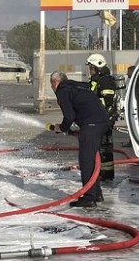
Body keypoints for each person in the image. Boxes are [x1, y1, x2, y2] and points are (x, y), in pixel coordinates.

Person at [49, 71, 110, 207]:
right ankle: (96, 193)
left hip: (91, 123)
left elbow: (69, 116)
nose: (52, 87)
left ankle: (89, 197)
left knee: (86, 160)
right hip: (101, 121)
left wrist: (62, 128)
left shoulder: (62, 90)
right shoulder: (75, 87)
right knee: (92, 158)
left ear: (55, 82)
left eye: (51, 83)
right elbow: (81, 109)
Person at [86, 53, 117, 182]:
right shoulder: (96, 80)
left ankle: (106, 175)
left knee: (104, 148)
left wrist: (91, 103)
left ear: (98, 67)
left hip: (104, 119)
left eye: (91, 67)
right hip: (98, 119)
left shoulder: (106, 80)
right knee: (99, 148)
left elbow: (108, 100)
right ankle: (100, 173)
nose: (89, 70)